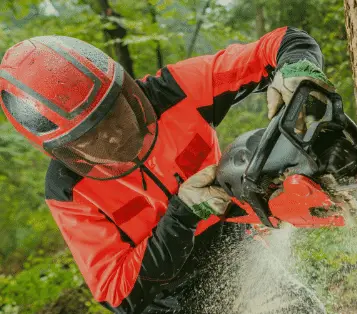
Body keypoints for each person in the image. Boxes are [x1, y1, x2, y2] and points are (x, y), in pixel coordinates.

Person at [0, 27, 333, 313]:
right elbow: (119, 293)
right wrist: (183, 215)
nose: (112, 134)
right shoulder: (68, 189)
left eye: (111, 114)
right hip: (166, 299)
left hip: (234, 248)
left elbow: (281, 43)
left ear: (123, 91)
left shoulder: (175, 91)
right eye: (89, 135)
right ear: (65, 148)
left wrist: (298, 70)